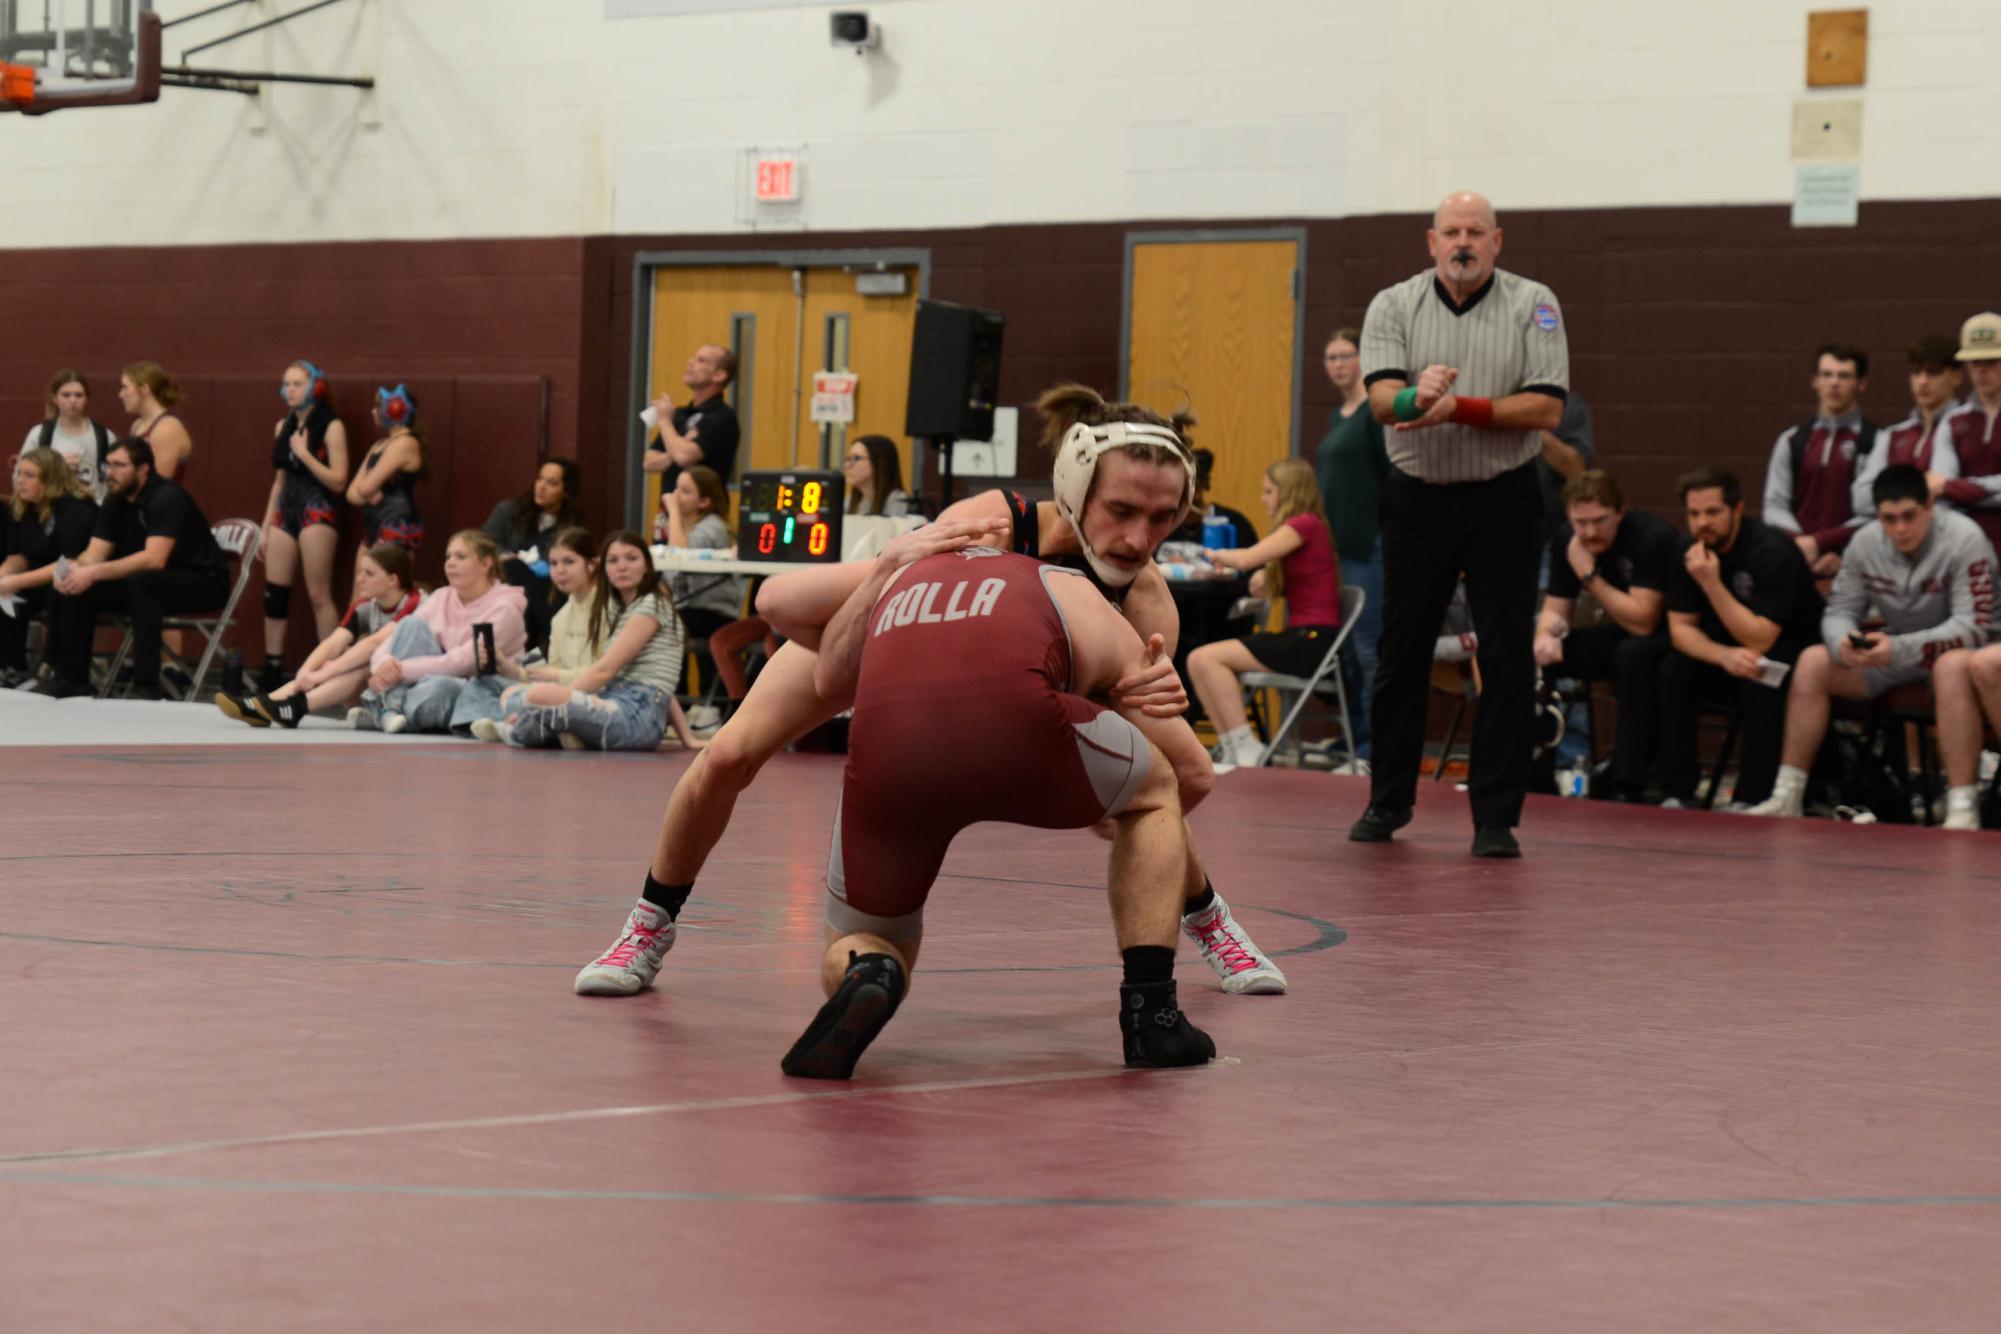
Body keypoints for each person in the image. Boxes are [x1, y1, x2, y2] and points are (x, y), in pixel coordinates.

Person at [573, 383, 1287, 1003]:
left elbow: (1178, 776)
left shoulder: (1145, 603)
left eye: (1162, 520)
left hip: (1011, 695)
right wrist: (890, 565)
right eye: (1121, 510)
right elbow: (783, 600)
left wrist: (1131, 728)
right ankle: (647, 925)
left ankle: (1205, 915)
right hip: (880, 640)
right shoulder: (988, 525)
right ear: (1073, 490)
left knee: (1168, 782)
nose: (1137, 539)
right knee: (725, 758)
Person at [779, 531, 1216, 1079]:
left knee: (866, 937)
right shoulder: (1063, 582)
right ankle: (1152, 1012)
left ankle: (868, 969)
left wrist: (882, 569)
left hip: (890, 752)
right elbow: (1182, 752)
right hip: (1016, 728)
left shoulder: (898, 579)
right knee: (1155, 795)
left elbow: (824, 673)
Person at [1349, 190, 1569, 859]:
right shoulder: (1392, 304)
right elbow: (1384, 401)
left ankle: (1494, 818)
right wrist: (1420, 396)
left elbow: (1546, 408)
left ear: (1497, 240)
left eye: (1475, 231)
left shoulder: (1535, 302)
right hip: (1416, 495)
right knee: (1399, 652)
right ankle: (1388, 801)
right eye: (1451, 232)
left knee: (1505, 658)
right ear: (1430, 241)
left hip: (1503, 496)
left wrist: (1460, 408)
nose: (1463, 243)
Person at [1745, 465, 1995, 825]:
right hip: (1898, 649)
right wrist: (1841, 641)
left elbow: (1973, 627)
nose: (1900, 529)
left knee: (1951, 666)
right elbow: (1840, 611)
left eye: (1909, 516)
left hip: (1965, 652)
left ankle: (1962, 807)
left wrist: (1897, 648)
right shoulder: (1864, 542)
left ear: (1930, 507)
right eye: (1889, 519)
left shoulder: (1965, 538)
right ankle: (1788, 792)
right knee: (1814, 661)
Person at [1657, 467, 1824, 809]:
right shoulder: (1689, 549)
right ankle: (1679, 790)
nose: (1703, 523)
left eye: (1713, 512)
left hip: (1792, 649)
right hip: (1732, 648)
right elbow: (1681, 630)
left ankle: (1751, 796)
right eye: (1694, 514)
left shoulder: (1773, 550)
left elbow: (1761, 638)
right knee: (1673, 669)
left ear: (1736, 510)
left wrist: (1711, 583)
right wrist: (1722, 656)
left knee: (1759, 673)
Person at [1530, 470, 1679, 801]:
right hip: (1623, 631)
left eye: (1600, 521)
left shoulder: (1649, 537)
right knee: (1549, 653)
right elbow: (1557, 610)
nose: (1590, 532)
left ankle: (1628, 780)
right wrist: (1545, 636)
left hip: (1671, 636)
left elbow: (1644, 622)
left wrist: (1588, 574)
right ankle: (1539, 768)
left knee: (1633, 654)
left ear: (1620, 511)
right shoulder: (1568, 539)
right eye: (1580, 522)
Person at [40, 439, 229, 700]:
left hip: (203, 581)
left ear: (143, 470)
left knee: (143, 582)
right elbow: (95, 554)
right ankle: (71, 679)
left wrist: (93, 572)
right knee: (74, 585)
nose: (110, 471)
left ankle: (147, 683)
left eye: (119, 465)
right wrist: (74, 570)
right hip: (148, 580)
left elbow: (155, 559)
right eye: (108, 464)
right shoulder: (115, 499)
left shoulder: (166, 497)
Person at [1186, 457, 1342, 770]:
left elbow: (1247, 559)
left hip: (1312, 641)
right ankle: (1233, 745)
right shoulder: (1306, 529)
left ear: (1288, 492)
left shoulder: (1304, 524)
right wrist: (1266, 580)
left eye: (1269, 491)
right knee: (1198, 659)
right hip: (1305, 637)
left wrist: (1209, 555)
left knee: (1205, 658)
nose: (1263, 499)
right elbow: (1268, 579)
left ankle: (1247, 748)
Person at [485, 531, 704, 752]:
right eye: (613, 560)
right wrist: (687, 738)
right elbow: (665, 685)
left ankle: (519, 730)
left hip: (637, 715)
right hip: (615, 700)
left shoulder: (651, 605)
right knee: (512, 695)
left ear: (647, 565)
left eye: (632, 558)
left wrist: (562, 697)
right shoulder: (622, 609)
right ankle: (552, 731)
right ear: (604, 568)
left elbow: (605, 672)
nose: (622, 566)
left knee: (537, 696)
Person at [216, 543, 421, 728]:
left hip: (413, 687)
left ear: (393, 580)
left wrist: (321, 675)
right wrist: (305, 674)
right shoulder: (367, 605)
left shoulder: (416, 603)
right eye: (360, 572)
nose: (360, 580)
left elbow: (373, 643)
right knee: (332, 662)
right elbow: (333, 642)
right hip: (383, 684)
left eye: (369, 574)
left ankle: (294, 708)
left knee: (360, 665)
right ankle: (265, 705)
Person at [354, 529, 526, 734]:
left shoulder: (505, 608)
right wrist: (382, 667)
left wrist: (398, 671)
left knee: (442, 688)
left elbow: (460, 663)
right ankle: (390, 711)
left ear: (486, 564)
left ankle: (384, 709)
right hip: (425, 678)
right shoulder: (441, 596)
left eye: (460, 557)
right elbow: (393, 638)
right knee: (411, 625)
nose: (450, 563)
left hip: (472, 689)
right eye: (448, 556)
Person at [1313, 328, 1388, 763]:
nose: (1337, 365)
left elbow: (1390, 480)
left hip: (1370, 546)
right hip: (1339, 551)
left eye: (1345, 355)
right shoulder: (1338, 416)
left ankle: (1376, 746)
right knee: (1347, 652)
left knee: (1368, 648)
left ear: (1363, 358)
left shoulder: (1372, 414)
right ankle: (1354, 737)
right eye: (1330, 357)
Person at [258, 360, 350, 691]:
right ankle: (272, 666)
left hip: (317, 507)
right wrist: (267, 522)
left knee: (318, 593)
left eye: (297, 383)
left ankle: (329, 669)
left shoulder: (331, 426)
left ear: (316, 387)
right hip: (287, 508)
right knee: (275, 594)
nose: (290, 390)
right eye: (286, 383)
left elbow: (339, 481)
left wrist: (306, 454)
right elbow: (279, 480)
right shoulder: (282, 424)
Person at [468, 527, 599, 742]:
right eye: (554, 564)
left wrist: (554, 679)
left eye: (569, 562)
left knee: (528, 698)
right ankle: (523, 725)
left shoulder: (606, 609)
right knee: (489, 685)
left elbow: (606, 673)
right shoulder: (561, 617)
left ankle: (518, 726)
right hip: (564, 689)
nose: (560, 571)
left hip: (595, 695)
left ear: (592, 564)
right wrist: (512, 670)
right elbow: (554, 671)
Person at [1762, 344, 1876, 578]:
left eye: (1844, 376)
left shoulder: (1877, 441)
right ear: (1815, 381)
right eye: (1827, 375)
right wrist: (1803, 545)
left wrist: (1821, 542)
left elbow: (1876, 513)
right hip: (1797, 560)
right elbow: (1774, 507)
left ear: (1861, 384)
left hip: (1853, 563)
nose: (1834, 383)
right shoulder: (1792, 440)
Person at [0, 448, 98, 686]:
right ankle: (12, 666)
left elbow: (68, 561)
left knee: (58, 591)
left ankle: (52, 668)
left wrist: (17, 581)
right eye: (19, 474)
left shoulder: (74, 507)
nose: (20, 481)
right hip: (39, 579)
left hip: (76, 577)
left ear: (51, 478)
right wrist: (3, 577)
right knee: (7, 595)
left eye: (30, 475)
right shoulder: (24, 509)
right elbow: (19, 557)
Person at [1850, 333, 1967, 514]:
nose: (1922, 381)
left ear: (1957, 377)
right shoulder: (1894, 434)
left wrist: (1891, 497)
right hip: (1894, 534)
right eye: (1916, 372)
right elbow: (1860, 499)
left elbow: (1946, 500)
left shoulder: (1966, 427)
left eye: (1933, 372)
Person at [485, 458, 584, 652]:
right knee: (514, 569)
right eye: (539, 479)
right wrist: (506, 555)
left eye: (552, 483)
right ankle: (558, 639)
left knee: (540, 589)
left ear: (566, 492)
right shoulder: (508, 510)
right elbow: (484, 544)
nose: (541, 487)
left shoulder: (571, 526)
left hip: (548, 588)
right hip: (505, 583)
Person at [345, 385, 427, 586]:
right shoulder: (380, 445)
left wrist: (367, 489)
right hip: (373, 522)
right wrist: (368, 490)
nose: (374, 411)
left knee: (386, 593)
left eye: (378, 406)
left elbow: (363, 489)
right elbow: (351, 494)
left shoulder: (405, 443)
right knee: (361, 596)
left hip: (396, 524)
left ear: (395, 409)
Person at [1934, 312, 2001, 552]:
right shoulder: (1953, 421)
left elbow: (1945, 486)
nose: (1982, 370)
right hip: (1965, 546)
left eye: (1991, 361)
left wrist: (1956, 488)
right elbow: (1939, 492)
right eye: (1975, 362)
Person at [642, 343, 740, 492]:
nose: (690, 363)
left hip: (702, 510)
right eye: (693, 358)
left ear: (719, 375)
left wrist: (665, 422)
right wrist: (675, 449)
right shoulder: (680, 415)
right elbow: (649, 462)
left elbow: (684, 457)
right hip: (669, 509)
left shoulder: (722, 417)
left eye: (701, 360)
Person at [18, 369, 114, 501]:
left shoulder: (104, 436)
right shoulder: (40, 434)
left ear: (86, 398)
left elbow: (115, 480)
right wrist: (57, 467)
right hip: (50, 509)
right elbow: (19, 479)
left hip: (93, 511)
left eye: (79, 395)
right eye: (66, 395)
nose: (73, 400)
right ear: (55, 398)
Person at [118, 362, 193, 482]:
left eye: (125, 387)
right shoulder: (137, 425)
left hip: (159, 500)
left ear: (144, 389)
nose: (120, 394)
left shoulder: (167, 429)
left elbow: (157, 486)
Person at [841, 434, 915, 517]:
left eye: (856, 458)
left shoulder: (899, 502)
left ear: (880, 462)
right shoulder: (847, 503)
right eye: (847, 459)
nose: (847, 465)